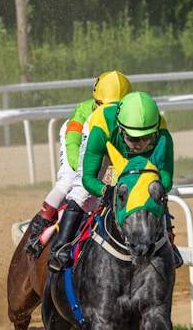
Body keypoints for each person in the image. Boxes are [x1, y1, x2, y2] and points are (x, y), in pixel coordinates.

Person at [22, 70, 132, 262]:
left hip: (106, 145)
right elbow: (75, 154)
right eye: (105, 106)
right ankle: (40, 227)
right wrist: (84, 174)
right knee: (69, 183)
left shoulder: (130, 116)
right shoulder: (83, 113)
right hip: (79, 140)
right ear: (96, 102)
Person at [67, 90, 178, 268]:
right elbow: (88, 178)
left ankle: (169, 243)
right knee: (82, 195)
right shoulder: (101, 130)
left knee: (153, 194)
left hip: (125, 142)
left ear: (155, 131)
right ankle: (61, 247)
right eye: (133, 138)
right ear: (121, 129)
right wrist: (105, 190)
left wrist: (154, 189)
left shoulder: (162, 135)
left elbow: (166, 177)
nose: (139, 144)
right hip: (103, 137)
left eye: (146, 138)